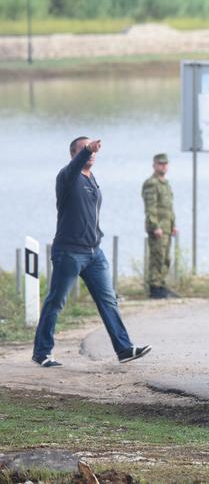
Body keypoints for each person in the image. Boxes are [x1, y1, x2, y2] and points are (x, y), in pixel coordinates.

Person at [32, 137, 151, 367]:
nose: (91, 155)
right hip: (69, 252)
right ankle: (41, 352)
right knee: (56, 302)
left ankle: (124, 349)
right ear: (73, 155)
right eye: (85, 151)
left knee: (109, 301)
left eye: (93, 151)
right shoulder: (67, 177)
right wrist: (87, 149)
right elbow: (77, 164)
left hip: (95, 253)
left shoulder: (91, 178)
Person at [141, 152, 178, 299]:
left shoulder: (166, 183)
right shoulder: (151, 183)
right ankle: (154, 288)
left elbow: (169, 207)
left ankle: (162, 285)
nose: (163, 166)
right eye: (160, 164)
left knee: (165, 258)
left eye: (165, 164)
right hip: (158, 228)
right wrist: (155, 226)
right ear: (154, 165)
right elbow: (150, 207)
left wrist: (173, 224)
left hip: (167, 227)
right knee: (157, 257)